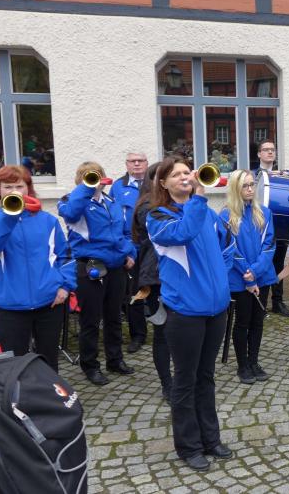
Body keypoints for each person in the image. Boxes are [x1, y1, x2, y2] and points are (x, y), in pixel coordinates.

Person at [146, 157, 235, 471]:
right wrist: (197, 197)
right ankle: (189, 446)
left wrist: (222, 281)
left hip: (216, 309)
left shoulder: (206, 213)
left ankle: (210, 439)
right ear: (163, 183)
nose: (185, 177)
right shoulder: (157, 216)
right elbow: (183, 233)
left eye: (187, 172)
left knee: (206, 377)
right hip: (184, 312)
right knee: (185, 380)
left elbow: (227, 246)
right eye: (177, 174)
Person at [0, 166, 76, 372]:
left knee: (49, 362)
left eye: (19, 186)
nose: (14, 191)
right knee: (14, 366)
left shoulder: (48, 220)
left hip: (49, 303)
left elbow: (65, 256)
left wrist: (65, 287)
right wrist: (8, 213)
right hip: (9, 308)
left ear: (28, 188)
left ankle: (49, 392)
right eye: (8, 187)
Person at [58, 161, 137, 386]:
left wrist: (129, 253)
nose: (94, 179)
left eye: (96, 175)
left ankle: (115, 359)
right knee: (91, 320)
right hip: (91, 266)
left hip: (116, 266)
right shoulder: (70, 201)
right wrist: (86, 188)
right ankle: (90, 366)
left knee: (114, 317)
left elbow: (125, 232)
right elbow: (70, 213)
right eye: (87, 176)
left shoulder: (112, 201)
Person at [220, 169, 277, 385]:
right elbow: (229, 249)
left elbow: (269, 245)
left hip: (262, 276)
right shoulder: (225, 216)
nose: (250, 189)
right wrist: (248, 276)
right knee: (242, 322)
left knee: (257, 321)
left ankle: (254, 361)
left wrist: (256, 271)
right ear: (236, 188)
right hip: (239, 279)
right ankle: (242, 365)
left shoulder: (264, 213)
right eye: (245, 185)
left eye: (252, 184)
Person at [130, 162, 172, 404]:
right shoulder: (147, 207)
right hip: (156, 276)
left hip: (174, 275)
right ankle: (167, 384)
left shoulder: (175, 203)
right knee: (163, 332)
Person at [109, 152, 149, 354]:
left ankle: (165, 330)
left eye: (140, 160)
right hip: (131, 246)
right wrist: (123, 249)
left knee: (160, 288)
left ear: (147, 163)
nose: (137, 164)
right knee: (134, 293)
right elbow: (113, 219)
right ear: (126, 164)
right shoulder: (118, 186)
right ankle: (138, 335)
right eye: (133, 161)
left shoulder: (156, 184)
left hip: (154, 246)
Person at [255, 140, 289, 317]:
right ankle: (259, 303)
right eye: (266, 150)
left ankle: (278, 302)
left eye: (272, 150)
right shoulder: (253, 176)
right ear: (259, 154)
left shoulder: (282, 176)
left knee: (278, 264)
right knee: (262, 264)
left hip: (278, 226)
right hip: (259, 228)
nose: (270, 152)